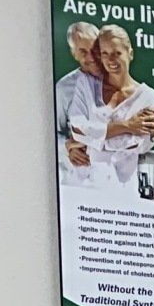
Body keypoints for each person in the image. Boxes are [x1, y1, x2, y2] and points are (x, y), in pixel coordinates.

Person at [83, 24, 154, 191]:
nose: (111, 60)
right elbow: (81, 132)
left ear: (130, 53)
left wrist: (98, 139)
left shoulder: (147, 95)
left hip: (124, 185)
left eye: (117, 53)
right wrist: (128, 127)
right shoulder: (89, 89)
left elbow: (138, 144)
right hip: (87, 181)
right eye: (105, 54)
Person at [54, 19, 102, 183]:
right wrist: (67, 147)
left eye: (94, 49)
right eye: (83, 52)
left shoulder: (119, 79)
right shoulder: (63, 88)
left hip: (114, 178)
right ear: (74, 54)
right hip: (77, 181)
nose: (92, 57)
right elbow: (52, 134)